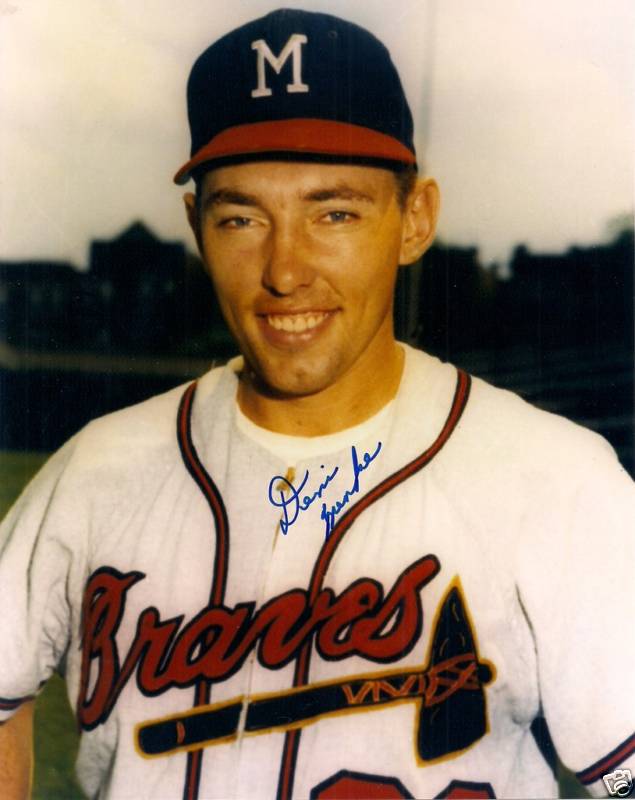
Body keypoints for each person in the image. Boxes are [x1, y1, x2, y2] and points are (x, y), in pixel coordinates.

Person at [1, 8, 634, 800]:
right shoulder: (96, 470)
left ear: (414, 220)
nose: (284, 270)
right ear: (196, 227)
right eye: (241, 217)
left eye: (333, 213)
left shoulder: (558, 482)